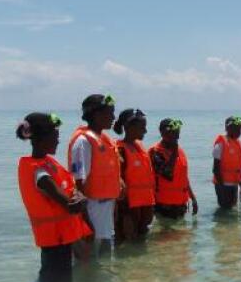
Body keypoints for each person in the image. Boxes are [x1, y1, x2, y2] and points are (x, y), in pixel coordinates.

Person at [17, 112, 91, 282]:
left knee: (52, 281)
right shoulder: (41, 173)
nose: (58, 141)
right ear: (41, 138)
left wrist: (79, 195)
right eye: (55, 137)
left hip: (59, 239)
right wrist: (83, 200)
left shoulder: (46, 162)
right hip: (55, 241)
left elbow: (70, 191)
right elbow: (71, 206)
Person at [68, 94, 121, 257]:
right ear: (97, 114)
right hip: (92, 209)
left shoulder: (102, 139)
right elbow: (78, 183)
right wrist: (85, 221)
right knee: (89, 259)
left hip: (104, 207)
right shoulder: (83, 142)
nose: (113, 117)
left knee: (104, 256)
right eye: (110, 113)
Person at [113, 109, 155, 243]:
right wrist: (124, 212)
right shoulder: (120, 149)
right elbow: (119, 180)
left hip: (145, 203)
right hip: (129, 207)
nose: (145, 131)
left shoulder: (140, 147)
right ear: (128, 127)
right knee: (126, 242)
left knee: (140, 243)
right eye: (142, 127)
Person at [149, 118, 198, 220]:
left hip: (181, 204)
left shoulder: (180, 151)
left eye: (178, 133)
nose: (177, 136)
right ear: (163, 133)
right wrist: (174, 153)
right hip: (164, 205)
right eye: (174, 133)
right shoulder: (155, 152)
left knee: (181, 234)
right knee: (166, 235)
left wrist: (193, 198)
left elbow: (184, 178)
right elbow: (167, 174)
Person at [213, 116, 241, 208]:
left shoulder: (237, 143)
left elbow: (237, 169)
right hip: (223, 185)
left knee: (232, 210)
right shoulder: (220, 144)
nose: (239, 131)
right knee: (225, 211)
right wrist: (222, 188)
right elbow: (215, 169)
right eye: (236, 129)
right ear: (228, 128)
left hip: (234, 184)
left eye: (240, 129)